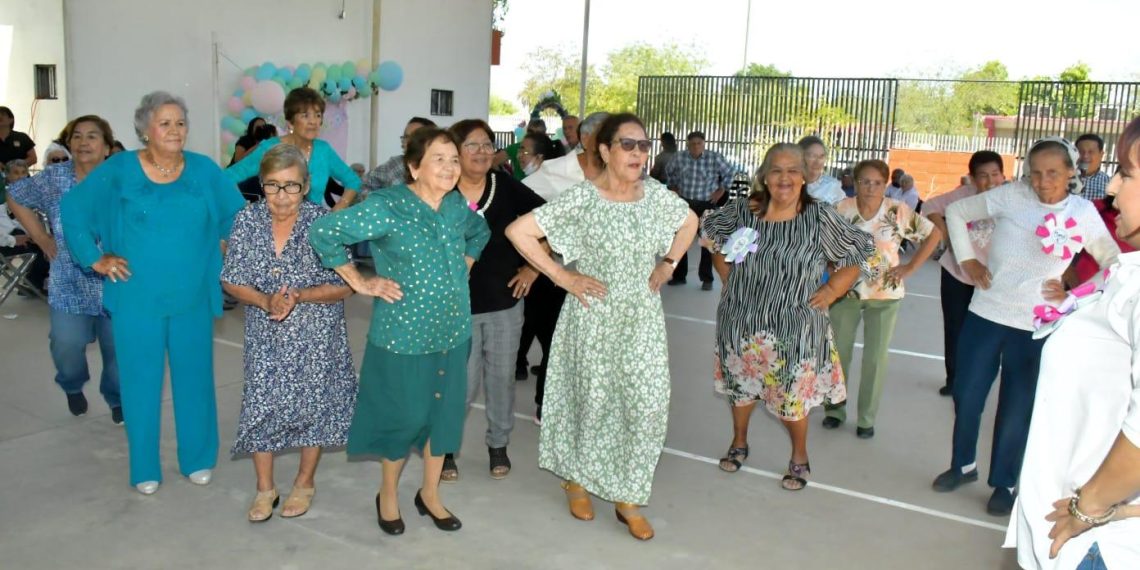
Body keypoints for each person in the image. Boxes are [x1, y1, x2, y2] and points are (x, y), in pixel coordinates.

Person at [507, 112, 697, 541]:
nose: (637, 153)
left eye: (643, 145)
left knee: (645, 406)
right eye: (627, 144)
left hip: (642, 320)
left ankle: (627, 495)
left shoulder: (656, 196)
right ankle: (576, 480)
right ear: (606, 151)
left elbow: (689, 223)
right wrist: (562, 276)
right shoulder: (584, 199)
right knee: (590, 401)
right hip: (591, 316)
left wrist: (668, 263)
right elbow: (519, 231)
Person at [61, 91, 246, 495]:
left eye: (180, 122)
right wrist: (95, 258)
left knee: (195, 380)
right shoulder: (120, 169)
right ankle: (145, 467)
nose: (175, 130)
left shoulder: (203, 170)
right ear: (145, 130)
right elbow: (73, 209)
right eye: (165, 123)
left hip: (192, 296)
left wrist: (229, 242)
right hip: (135, 299)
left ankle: (197, 458)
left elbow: (237, 215)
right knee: (140, 383)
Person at [308, 127, 490, 536]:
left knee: (442, 419)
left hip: (453, 332)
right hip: (403, 337)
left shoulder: (457, 205)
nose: (449, 166)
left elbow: (480, 233)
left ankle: (429, 494)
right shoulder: (388, 206)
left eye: (454, 159)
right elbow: (324, 233)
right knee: (401, 419)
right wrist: (359, 281)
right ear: (414, 166)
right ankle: (388, 494)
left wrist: (467, 262)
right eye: (439, 159)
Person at [933, 137, 1120, 516]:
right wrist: (968, 260)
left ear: (1071, 172)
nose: (1043, 181)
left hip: (1036, 326)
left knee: (1016, 407)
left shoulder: (1083, 213)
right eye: (1035, 173)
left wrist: (1076, 288)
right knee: (967, 395)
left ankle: (1005, 481)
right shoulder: (1009, 196)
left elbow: (1113, 262)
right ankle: (963, 465)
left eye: (1053, 173)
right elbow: (955, 214)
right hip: (986, 313)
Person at [1004, 117, 1140, 569]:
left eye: (1128, 173)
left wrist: (1094, 506)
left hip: (1102, 542)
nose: (1113, 187)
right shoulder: (1130, 275)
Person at [701, 143, 875, 491]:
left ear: (804, 176)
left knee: (791, 399)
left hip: (795, 328)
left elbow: (859, 251)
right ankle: (739, 442)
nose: (784, 178)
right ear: (764, 175)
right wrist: (727, 276)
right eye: (776, 170)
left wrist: (832, 291)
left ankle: (799, 455)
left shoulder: (819, 216)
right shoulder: (744, 210)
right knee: (740, 390)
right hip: (741, 321)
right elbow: (709, 235)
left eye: (793, 170)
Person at [221, 144, 357, 522]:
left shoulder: (325, 225)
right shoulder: (247, 221)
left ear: (307, 184)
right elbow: (232, 279)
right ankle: (265, 488)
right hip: (265, 333)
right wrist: (265, 301)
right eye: (273, 186)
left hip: (317, 335)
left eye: (292, 186)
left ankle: (304, 481)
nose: (282, 196)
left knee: (313, 407)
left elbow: (346, 284)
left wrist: (301, 295)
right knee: (261, 405)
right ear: (261, 185)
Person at [441, 119, 545, 483]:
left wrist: (534, 266)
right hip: (456, 308)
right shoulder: (441, 189)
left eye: (487, 144)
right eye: (473, 145)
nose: (482, 151)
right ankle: (447, 449)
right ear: (455, 151)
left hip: (504, 304)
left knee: (501, 380)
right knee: (460, 384)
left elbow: (548, 220)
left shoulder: (506, 185)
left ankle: (498, 444)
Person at [6, 115, 121, 422]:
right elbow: (15, 196)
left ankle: (117, 398)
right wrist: (41, 237)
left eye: (93, 136)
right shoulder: (55, 178)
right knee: (66, 347)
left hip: (117, 283)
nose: (84, 142)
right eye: (77, 136)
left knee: (120, 354)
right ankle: (72, 386)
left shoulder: (122, 180)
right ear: (69, 143)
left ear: (108, 147)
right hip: (68, 281)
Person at [823, 159, 940, 438]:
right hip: (845, 293)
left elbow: (934, 234)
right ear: (855, 182)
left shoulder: (897, 211)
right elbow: (824, 242)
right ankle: (835, 409)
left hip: (885, 295)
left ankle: (866, 418)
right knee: (839, 353)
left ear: (886, 184)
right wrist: (829, 267)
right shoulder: (841, 210)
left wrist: (910, 267)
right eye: (865, 181)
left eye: (877, 182)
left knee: (875, 359)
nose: (870, 188)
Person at [516, 111, 609, 422]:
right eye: (608, 136)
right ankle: (548, 404)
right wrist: (535, 260)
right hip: (556, 275)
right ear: (585, 139)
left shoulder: (622, 175)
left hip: (603, 278)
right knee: (557, 342)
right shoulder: (556, 171)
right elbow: (520, 212)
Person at [923, 151, 1006, 396]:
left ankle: (978, 380)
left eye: (995, 174)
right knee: (955, 328)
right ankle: (954, 380)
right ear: (971, 178)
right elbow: (929, 206)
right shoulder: (963, 196)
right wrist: (946, 234)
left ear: (1004, 175)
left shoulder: (1011, 198)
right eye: (982, 176)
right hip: (956, 274)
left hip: (991, 278)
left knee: (987, 332)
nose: (990, 181)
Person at [227, 87, 361, 211]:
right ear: (290, 123)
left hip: (311, 227)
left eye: (318, 115)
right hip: (275, 226)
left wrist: (338, 209)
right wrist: (243, 208)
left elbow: (353, 181)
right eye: (305, 115)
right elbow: (229, 176)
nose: (313, 121)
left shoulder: (323, 150)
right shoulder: (270, 148)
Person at [666, 130, 737, 290]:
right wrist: (674, 187)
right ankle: (679, 276)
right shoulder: (679, 157)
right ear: (687, 144)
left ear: (704, 144)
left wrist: (722, 190)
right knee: (681, 241)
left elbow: (730, 173)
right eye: (692, 144)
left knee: (708, 243)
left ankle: (707, 279)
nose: (696, 146)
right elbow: (669, 172)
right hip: (686, 203)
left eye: (699, 143)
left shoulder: (714, 158)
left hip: (707, 203)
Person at [362, 117, 436, 193]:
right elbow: (365, 184)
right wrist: (379, 203)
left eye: (415, 137)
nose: (408, 141)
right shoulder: (395, 165)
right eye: (406, 137)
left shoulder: (440, 169)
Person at [799, 135, 845, 205]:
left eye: (821, 156)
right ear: (800, 157)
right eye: (812, 156)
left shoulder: (831, 186)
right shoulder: (790, 184)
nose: (817, 162)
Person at [1076, 133, 1111, 201]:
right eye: (1081, 152)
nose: (1085, 156)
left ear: (1101, 154)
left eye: (1091, 152)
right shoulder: (1064, 179)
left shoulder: (1109, 184)